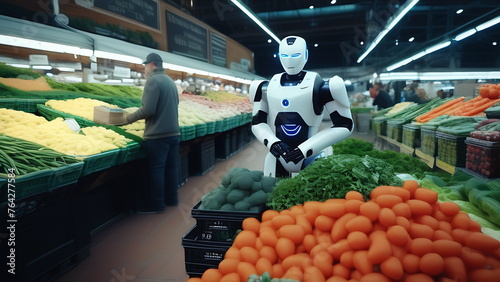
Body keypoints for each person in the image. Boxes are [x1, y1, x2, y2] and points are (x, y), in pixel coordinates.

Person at [250, 36, 353, 177]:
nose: (290, 60)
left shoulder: (323, 86)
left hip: (313, 154)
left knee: (312, 196)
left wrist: (306, 149)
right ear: (279, 56)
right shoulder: (264, 87)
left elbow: (345, 125)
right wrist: (272, 143)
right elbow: (257, 123)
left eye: (296, 55)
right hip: (278, 156)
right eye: (285, 55)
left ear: (305, 55)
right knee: (274, 194)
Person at [124, 52, 180, 213]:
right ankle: (172, 199)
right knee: (171, 167)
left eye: (145, 66)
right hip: (174, 133)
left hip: (157, 135)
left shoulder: (153, 81)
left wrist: (128, 118)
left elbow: (148, 110)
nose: (144, 69)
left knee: (157, 169)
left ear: (152, 65)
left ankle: (157, 204)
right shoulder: (170, 81)